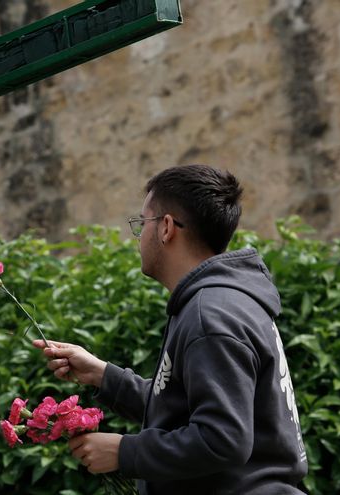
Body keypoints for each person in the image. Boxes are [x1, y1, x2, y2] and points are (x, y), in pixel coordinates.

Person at [35, 164, 308, 494]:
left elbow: (223, 439)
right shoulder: (219, 303)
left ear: (166, 227)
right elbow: (182, 407)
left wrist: (124, 451)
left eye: (142, 223)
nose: (139, 237)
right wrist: (103, 376)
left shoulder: (211, 315)